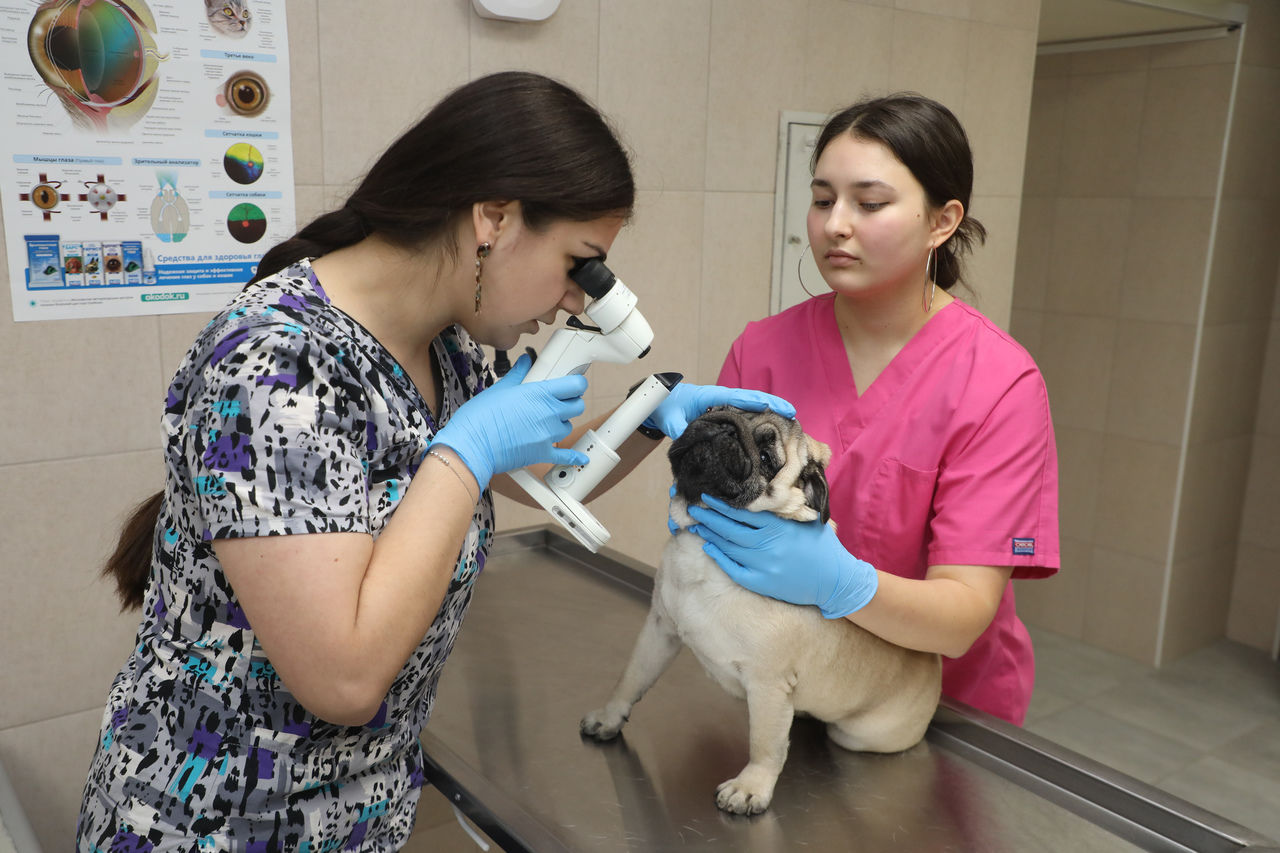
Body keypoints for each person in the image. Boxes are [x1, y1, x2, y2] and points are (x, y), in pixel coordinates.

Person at [77, 71, 791, 852]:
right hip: (215, 823)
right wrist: (468, 446)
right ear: (494, 217)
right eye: (578, 264)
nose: (577, 301)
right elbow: (344, 678)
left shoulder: (447, 344)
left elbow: (535, 479)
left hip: (360, 816)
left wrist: (647, 420)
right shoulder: (271, 365)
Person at [681, 93, 1060, 726]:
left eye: (871, 203)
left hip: (936, 709)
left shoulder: (998, 382)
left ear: (942, 222)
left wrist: (841, 585)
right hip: (787, 681)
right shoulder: (762, 350)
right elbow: (717, 524)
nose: (835, 225)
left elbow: (963, 616)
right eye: (823, 199)